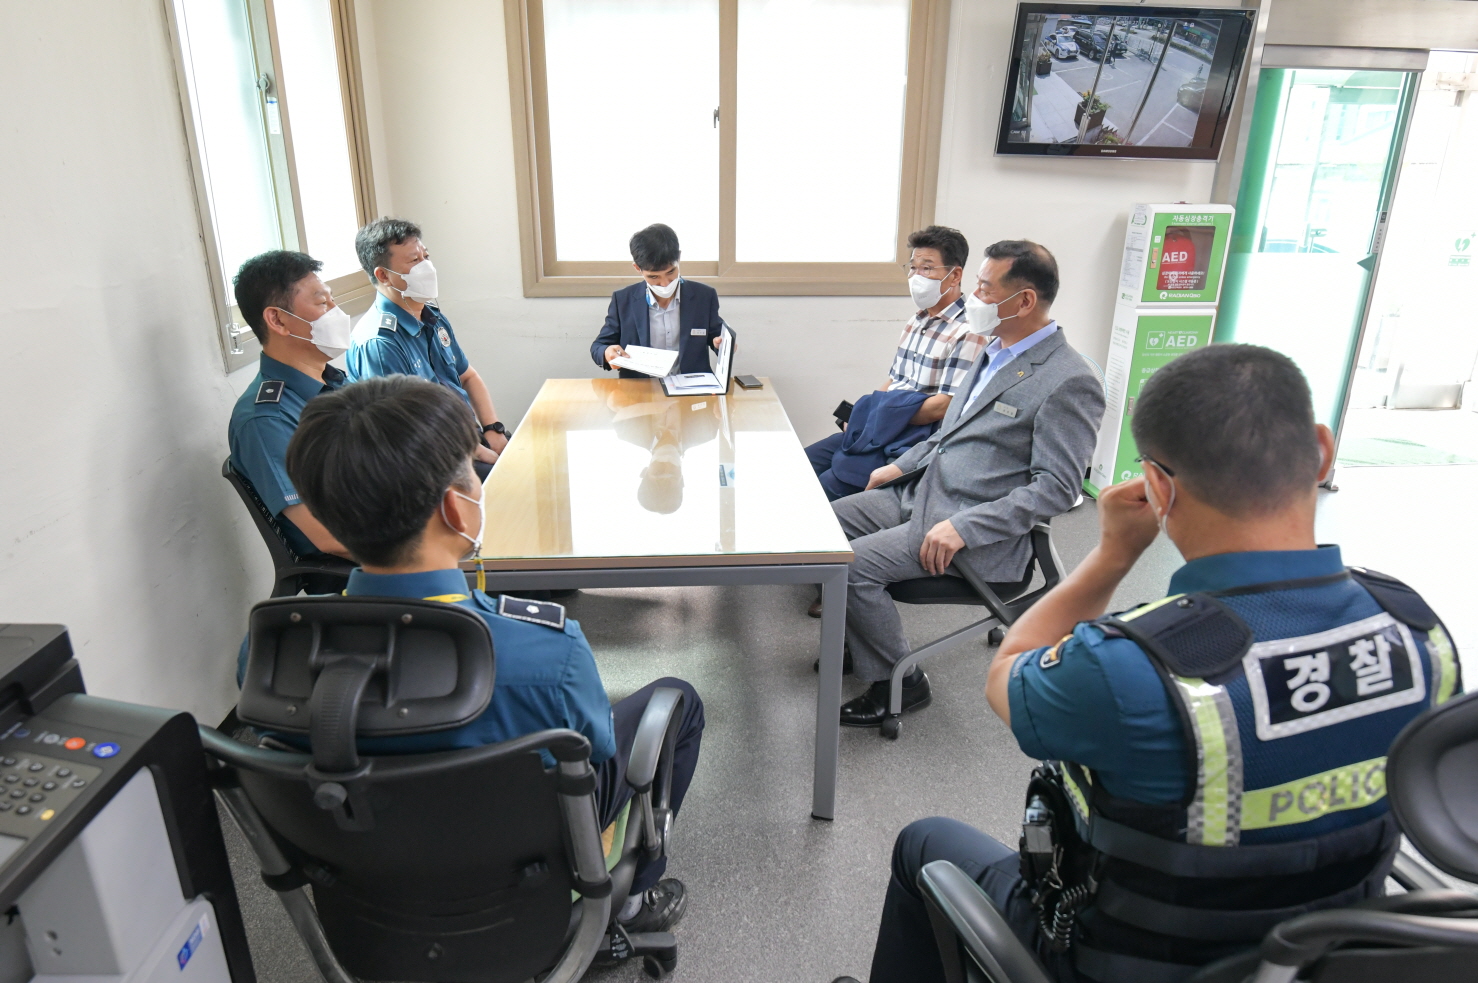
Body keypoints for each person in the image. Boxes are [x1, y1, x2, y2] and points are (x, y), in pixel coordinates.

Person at [833, 344, 1464, 983]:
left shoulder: (1131, 666)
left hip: (1130, 964)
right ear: (1322, 451)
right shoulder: (1418, 629)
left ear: (1159, 488)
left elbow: (1007, 673)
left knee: (925, 843)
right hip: (1323, 957)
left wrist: (1111, 555)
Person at [281, 375, 706, 933]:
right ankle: (626, 903)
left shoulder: (272, 656)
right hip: (526, 874)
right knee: (679, 700)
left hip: (369, 897)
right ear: (457, 509)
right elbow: (600, 750)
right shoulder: (547, 654)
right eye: (470, 473)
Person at [828, 241, 1104, 727]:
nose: (973, 297)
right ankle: (867, 638)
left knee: (853, 567)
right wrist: (901, 466)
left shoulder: (1069, 380)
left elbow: (1059, 488)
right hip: (922, 492)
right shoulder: (994, 350)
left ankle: (900, 684)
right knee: (823, 530)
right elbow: (948, 434)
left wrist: (964, 527)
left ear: (1024, 301)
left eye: (985, 288)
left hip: (971, 526)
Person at [805, 226, 984, 505]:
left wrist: (875, 418)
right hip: (882, 427)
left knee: (824, 490)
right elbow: (893, 381)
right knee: (801, 464)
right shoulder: (917, 320)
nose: (916, 276)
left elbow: (943, 406)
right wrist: (861, 417)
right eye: (913, 268)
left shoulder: (968, 331)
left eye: (927, 268)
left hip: (908, 439)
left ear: (955, 275)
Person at [346, 217, 508, 477]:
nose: (426, 267)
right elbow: (404, 428)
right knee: (512, 481)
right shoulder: (380, 343)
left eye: (426, 257)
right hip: (429, 460)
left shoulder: (432, 317)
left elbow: (467, 376)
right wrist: (480, 453)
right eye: (414, 261)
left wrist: (493, 428)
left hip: (467, 438)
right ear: (384, 275)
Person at [227, 250, 352, 561]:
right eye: (322, 303)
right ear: (278, 320)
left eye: (333, 300)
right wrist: (436, 551)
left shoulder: (335, 383)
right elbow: (330, 536)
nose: (336, 312)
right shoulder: (266, 420)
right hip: (368, 570)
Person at [590, 223, 723, 378]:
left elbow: (717, 337)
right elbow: (599, 346)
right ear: (637, 268)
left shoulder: (704, 296)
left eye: (671, 272)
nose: (665, 283)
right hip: (642, 389)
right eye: (654, 277)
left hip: (691, 386)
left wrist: (722, 345)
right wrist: (606, 352)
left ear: (678, 258)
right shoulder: (623, 300)